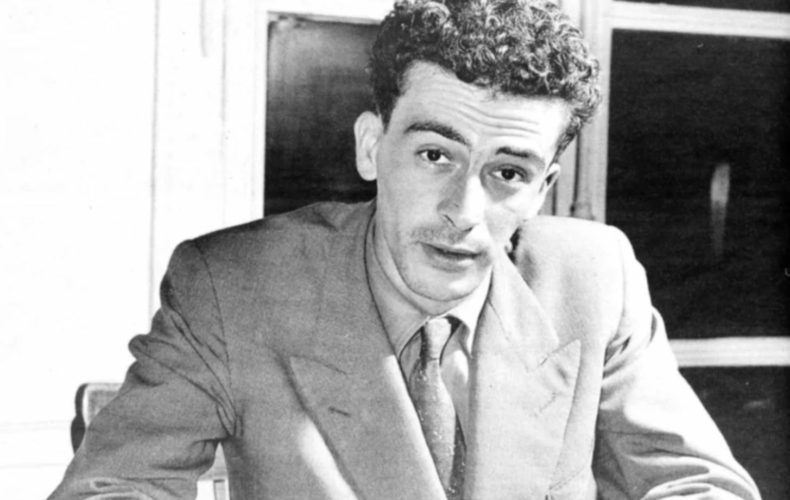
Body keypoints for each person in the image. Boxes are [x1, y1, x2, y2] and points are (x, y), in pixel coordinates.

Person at [50, 1, 761, 499]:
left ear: (542, 189)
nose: (464, 214)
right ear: (372, 146)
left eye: (508, 173)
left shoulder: (593, 278)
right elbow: (114, 487)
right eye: (435, 156)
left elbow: (699, 484)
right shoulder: (234, 286)